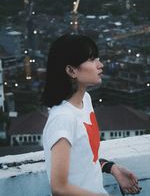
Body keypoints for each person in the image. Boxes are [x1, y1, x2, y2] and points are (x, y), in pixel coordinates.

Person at [42, 34, 141, 196]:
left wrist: (112, 168)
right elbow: (59, 188)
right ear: (71, 70)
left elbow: (84, 160)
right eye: (92, 59)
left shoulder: (85, 101)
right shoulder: (63, 119)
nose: (100, 65)